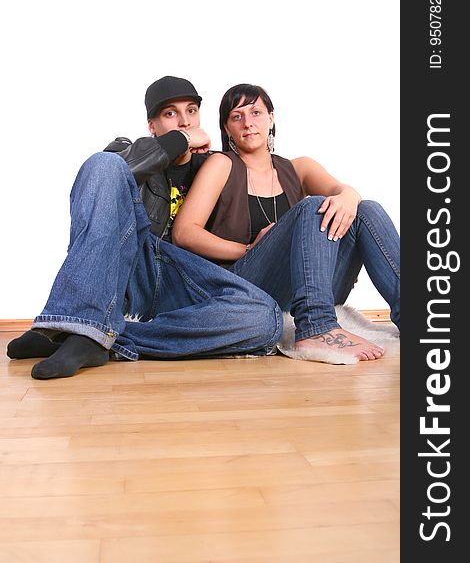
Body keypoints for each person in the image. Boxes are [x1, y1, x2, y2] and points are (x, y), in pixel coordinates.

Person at [7, 77, 282, 379]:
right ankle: (79, 328)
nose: (184, 121)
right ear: (152, 126)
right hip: (136, 267)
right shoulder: (130, 151)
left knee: (264, 319)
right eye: (170, 114)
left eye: (191, 111)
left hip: (182, 278)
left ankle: (89, 334)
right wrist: (179, 142)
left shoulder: (218, 165)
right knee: (104, 164)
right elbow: (103, 189)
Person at [172, 83, 400, 363]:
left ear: (271, 118)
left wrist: (350, 197)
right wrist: (247, 249)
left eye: (256, 112)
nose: (248, 123)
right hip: (248, 286)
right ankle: (316, 327)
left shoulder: (298, 168)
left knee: (367, 209)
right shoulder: (221, 164)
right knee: (313, 205)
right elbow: (184, 233)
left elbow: (345, 192)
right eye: (237, 116)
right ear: (227, 128)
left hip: (307, 287)